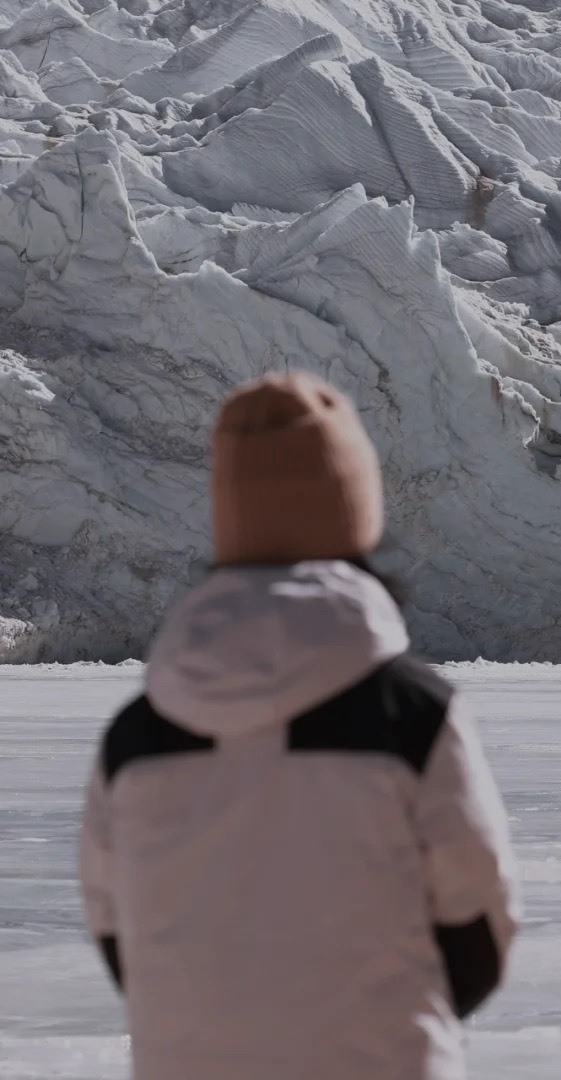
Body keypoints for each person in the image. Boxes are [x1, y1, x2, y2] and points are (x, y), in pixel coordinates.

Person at [78, 371, 519, 1080]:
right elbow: (479, 919)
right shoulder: (411, 714)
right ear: (355, 512)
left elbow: (116, 931)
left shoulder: (136, 736)